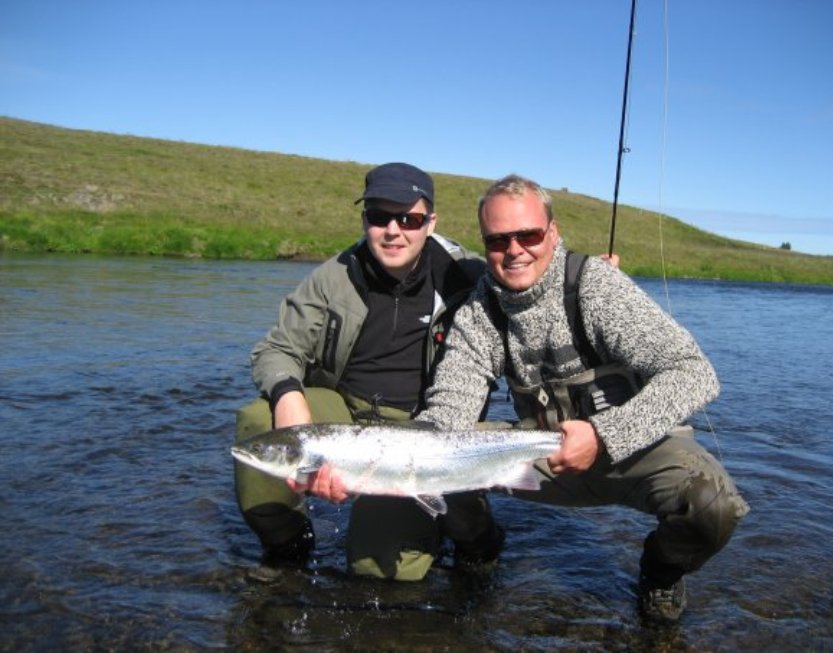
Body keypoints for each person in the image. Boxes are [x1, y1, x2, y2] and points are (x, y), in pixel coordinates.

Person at [415, 174, 749, 621]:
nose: (514, 250)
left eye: (528, 234)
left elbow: (695, 373)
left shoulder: (596, 287)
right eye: (497, 240)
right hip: (544, 458)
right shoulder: (480, 311)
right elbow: (449, 409)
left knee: (714, 505)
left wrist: (604, 435)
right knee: (442, 461)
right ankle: (479, 546)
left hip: (636, 453)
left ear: (552, 232)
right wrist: (386, 459)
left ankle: (662, 572)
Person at [234, 162, 505, 581]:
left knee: (379, 573)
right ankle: (287, 549)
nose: (393, 230)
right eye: (379, 217)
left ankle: (476, 535)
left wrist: (580, 282)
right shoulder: (333, 277)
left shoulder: (467, 277)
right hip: (345, 413)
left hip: (427, 429)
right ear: (365, 220)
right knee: (259, 420)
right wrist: (289, 398)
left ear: (430, 223)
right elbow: (277, 348)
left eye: (409, 219)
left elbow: (533, 301)